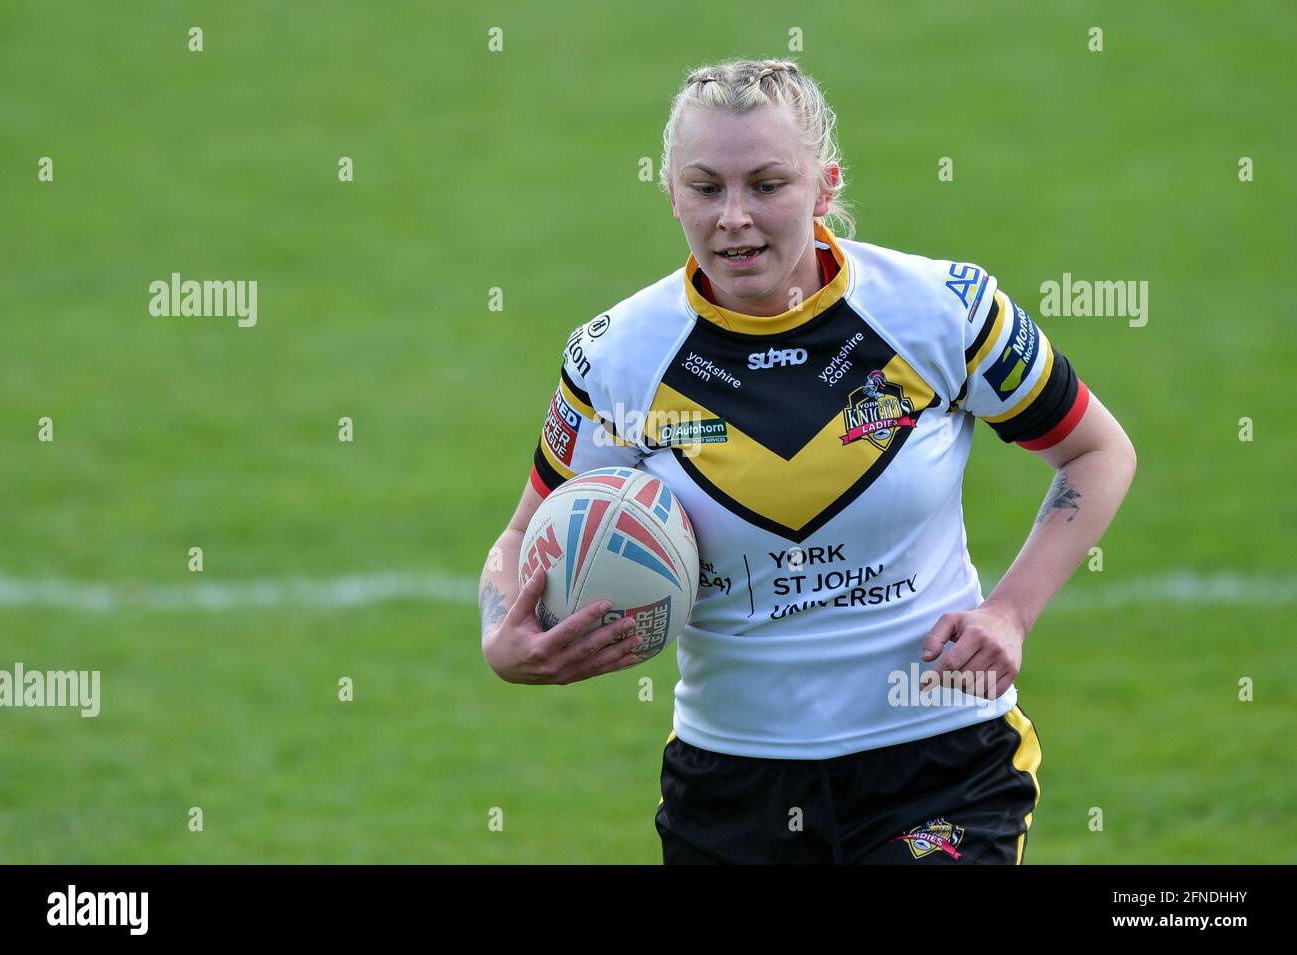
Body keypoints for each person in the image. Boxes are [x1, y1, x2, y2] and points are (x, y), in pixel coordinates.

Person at [479, 58, 1136, 864]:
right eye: (706, 187)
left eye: (767, 184)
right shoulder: (615, 358)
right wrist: (500, 638)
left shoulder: (941, 311)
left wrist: (1011, 611)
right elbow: (518, 538)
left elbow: (1096, 450)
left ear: (824, 188)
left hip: (938, 763)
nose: (734, 218)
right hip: (731, 784)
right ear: (671, 192)